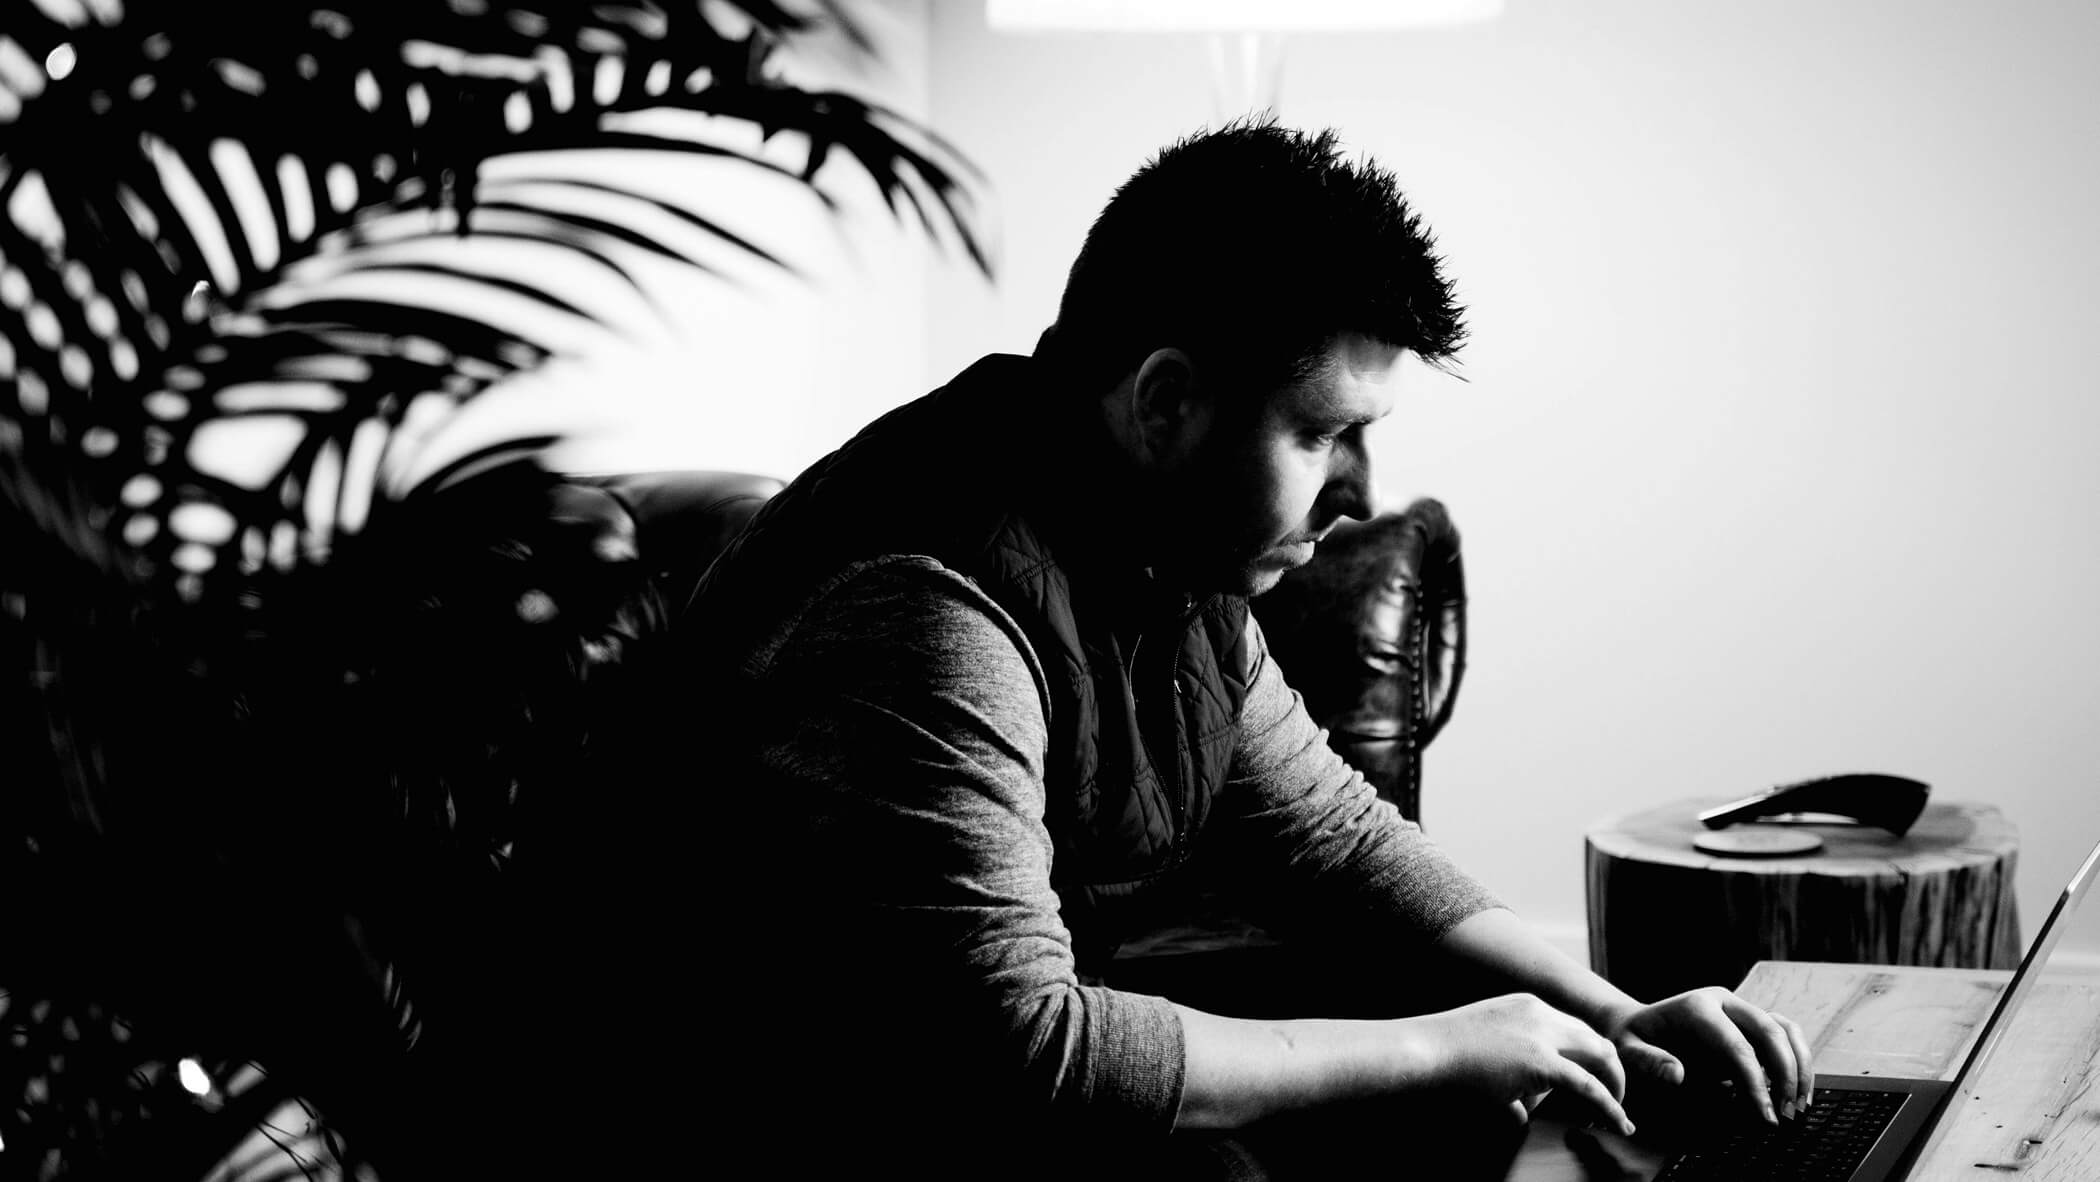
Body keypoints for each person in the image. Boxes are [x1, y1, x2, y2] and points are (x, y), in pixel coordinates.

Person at [675, 118, 1811, 1178]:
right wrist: (1438, 1052)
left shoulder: (1167, 552)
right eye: (1324, 434)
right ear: (1165, 404)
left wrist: (1606, 1012)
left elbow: (1331, 838)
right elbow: (1021, 1050)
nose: (1361, 494)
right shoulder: (932, 607)